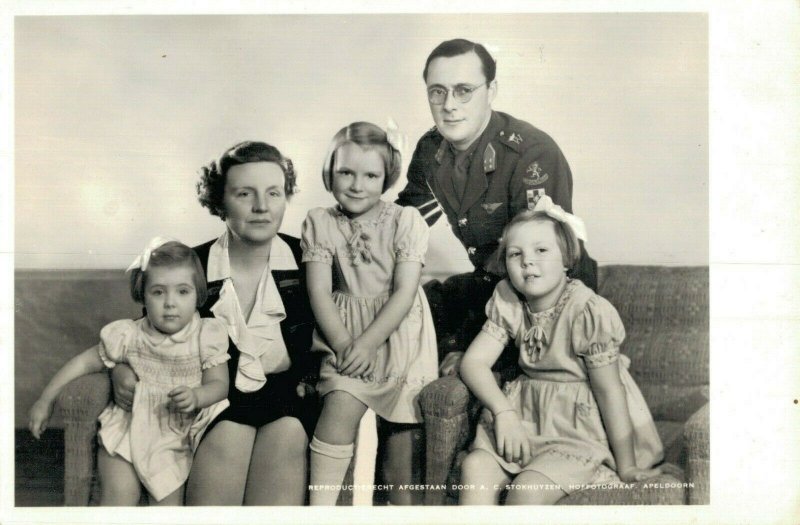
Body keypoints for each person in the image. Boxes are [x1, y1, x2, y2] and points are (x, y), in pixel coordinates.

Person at [112, 141, 318, 505]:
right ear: (219, 202)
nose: (261, 206)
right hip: (216, 398)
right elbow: (146, 333)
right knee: (229, 436)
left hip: (290, 397)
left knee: (287, 433)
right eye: (244, 193)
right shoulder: (193, 263)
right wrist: (122, 369)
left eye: (273, 193)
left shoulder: (311, 262)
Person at [396, 38, 597, 375]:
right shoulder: (431, 151)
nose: (448, 105)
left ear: (491, 91)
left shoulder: (531, 153)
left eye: (464, 90)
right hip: (489, 282)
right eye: (437, 91)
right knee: (412, 307)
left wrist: (470, 344)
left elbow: (533, 265)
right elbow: (405, 220)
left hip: (547, 296)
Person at [458, 197, 663, 505]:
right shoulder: (509, 299)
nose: (528, 261)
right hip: (524, 415)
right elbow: (473, 363)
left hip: (575, 427)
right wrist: (504, 413)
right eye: (516, 254)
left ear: (567, 258)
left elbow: (610, 391)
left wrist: (628, 465)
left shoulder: (587, 310)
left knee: (526, 490)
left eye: (541, 250)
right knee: (474, 467)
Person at [28, 238, 230, 506]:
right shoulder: (128, 334)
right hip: (127, 427)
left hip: (176, 436)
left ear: (198, 294)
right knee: (118, 497)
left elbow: (219, 384)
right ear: (143, 294)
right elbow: (82, 363)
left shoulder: (206, 334)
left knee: (168, 508)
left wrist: (197, 396)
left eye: (183, 292)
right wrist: (45, 400)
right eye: (158, 292)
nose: (170, 303)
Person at [302, 121, 438, 505]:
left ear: (387, 176)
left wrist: (368, 344)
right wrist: (346, 344)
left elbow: (405, 292)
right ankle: (321, 508)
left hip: (396, 333)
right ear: (330, 172)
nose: (357, 184)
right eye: (346, 172)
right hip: (341, 329)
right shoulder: (320, 222)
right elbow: (318, 290)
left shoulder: (404, 221)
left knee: (402, 443)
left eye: (370, 175)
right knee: (339, 406)